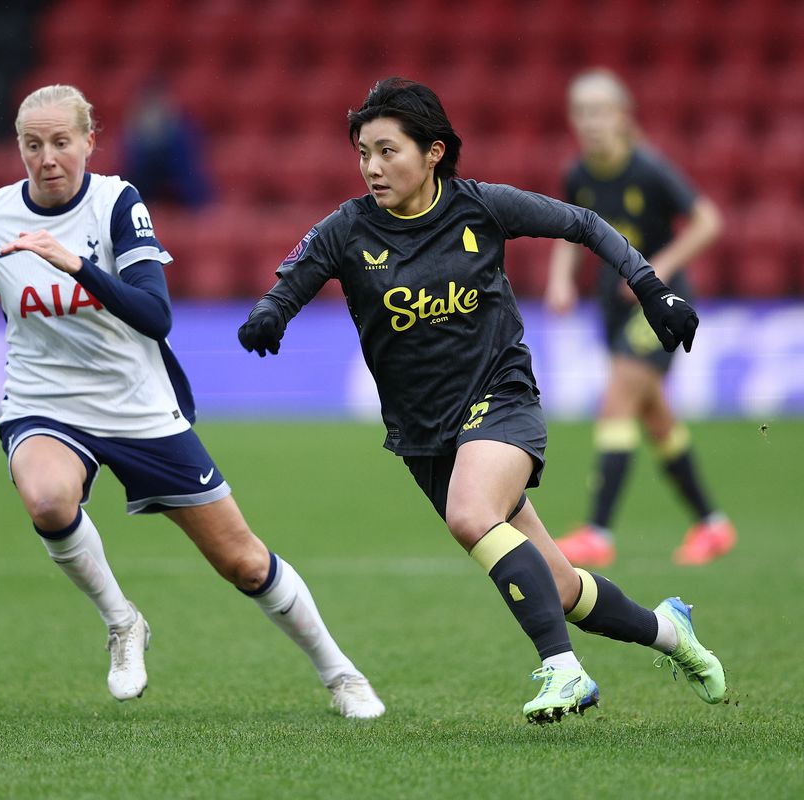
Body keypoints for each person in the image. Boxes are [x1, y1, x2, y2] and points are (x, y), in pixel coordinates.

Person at [0, 85, 384, 719]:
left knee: (241, 561)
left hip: (137, 406)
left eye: (61, 142)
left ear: (88, 142)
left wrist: (75, 264)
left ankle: (340, 673)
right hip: (44, 402)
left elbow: (155, 316)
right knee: (47, 499)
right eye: (32, 144)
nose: (47, 158)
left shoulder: (116, 203)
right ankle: (122, 621)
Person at [237, 77, 727, 724]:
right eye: (363, 153)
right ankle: (671, 632)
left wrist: (651, 286)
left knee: (471, 514)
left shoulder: (480, 207)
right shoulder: (346, 230)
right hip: (424, 431)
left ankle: (564, 669)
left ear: (433, 152)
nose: (373, 167)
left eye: (388, 151)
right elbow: (289, 283)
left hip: (501, 396)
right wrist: (269, 315)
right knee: (562, 586)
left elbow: (582, 223)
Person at [545, 68, 734, 568]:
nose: (590, 123)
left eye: (600, 112)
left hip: (657, 303)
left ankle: (598, 531)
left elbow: (709, 220)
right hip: (612, 304)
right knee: (653, 416)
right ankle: (713, 525)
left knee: (619, 396)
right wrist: (562, 278)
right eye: (581, 113)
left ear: (623, 118)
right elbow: (570, 230)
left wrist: (659, 270)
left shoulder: (649, 170)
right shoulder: (579, 174)